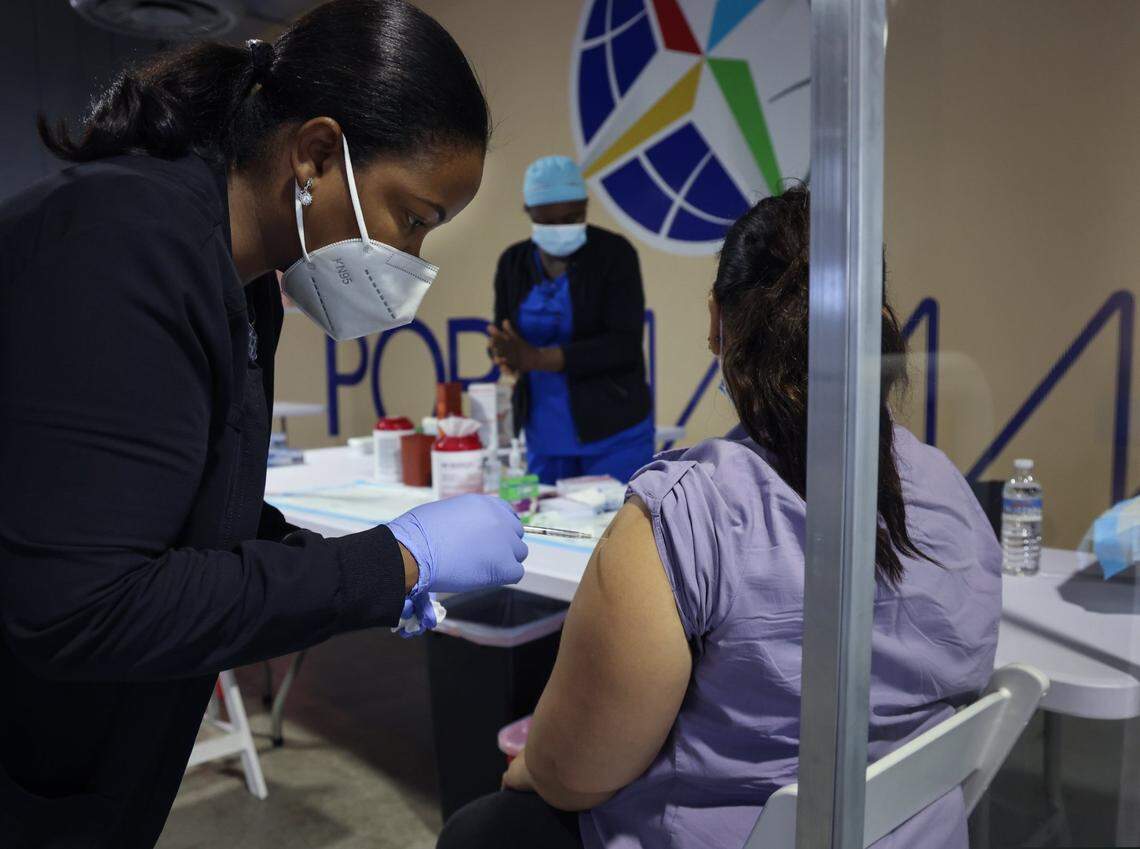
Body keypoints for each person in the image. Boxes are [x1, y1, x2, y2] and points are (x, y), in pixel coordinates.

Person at [0, 2, 528, 846]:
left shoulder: (244, 282)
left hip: (106, 769)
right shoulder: (125, 240)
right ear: (317, 154)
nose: (414, 261)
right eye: (415, 218)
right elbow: (86, 604)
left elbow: (208, 524)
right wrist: (388, 561)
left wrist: (371, 574)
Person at [439, 186, 1003, 849]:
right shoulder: (950, 490)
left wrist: (535, 764)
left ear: (716, 322)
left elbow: (574, 772)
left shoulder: (681, 516)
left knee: (480, 830)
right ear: (879, 325)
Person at [487, 156, 653, 485]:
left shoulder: (615, 255)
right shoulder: (513, 262)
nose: (561, 228)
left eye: (572, 217)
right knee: (545, 530)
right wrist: (504, 355)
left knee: (614, 530)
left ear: (586, 206)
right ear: (530, 213)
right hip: (543, 436)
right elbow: (504, 334)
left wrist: (538, 358)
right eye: (549, 222)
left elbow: (623, 345)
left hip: (614, 433)